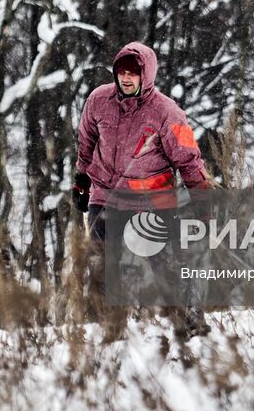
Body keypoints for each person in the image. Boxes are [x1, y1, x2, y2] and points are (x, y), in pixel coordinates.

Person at [73, 41, 210, 319]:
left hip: (151, 201)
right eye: (121, 71)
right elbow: (86, 141)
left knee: (165, 264)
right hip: (105, 196)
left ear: (145, 75)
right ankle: (104, 325)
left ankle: (189, 316)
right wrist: (81, 179)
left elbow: (188, 158)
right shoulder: (99, 100)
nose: (125, 78)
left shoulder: (168, 112)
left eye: (133, 73)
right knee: (102, 263)